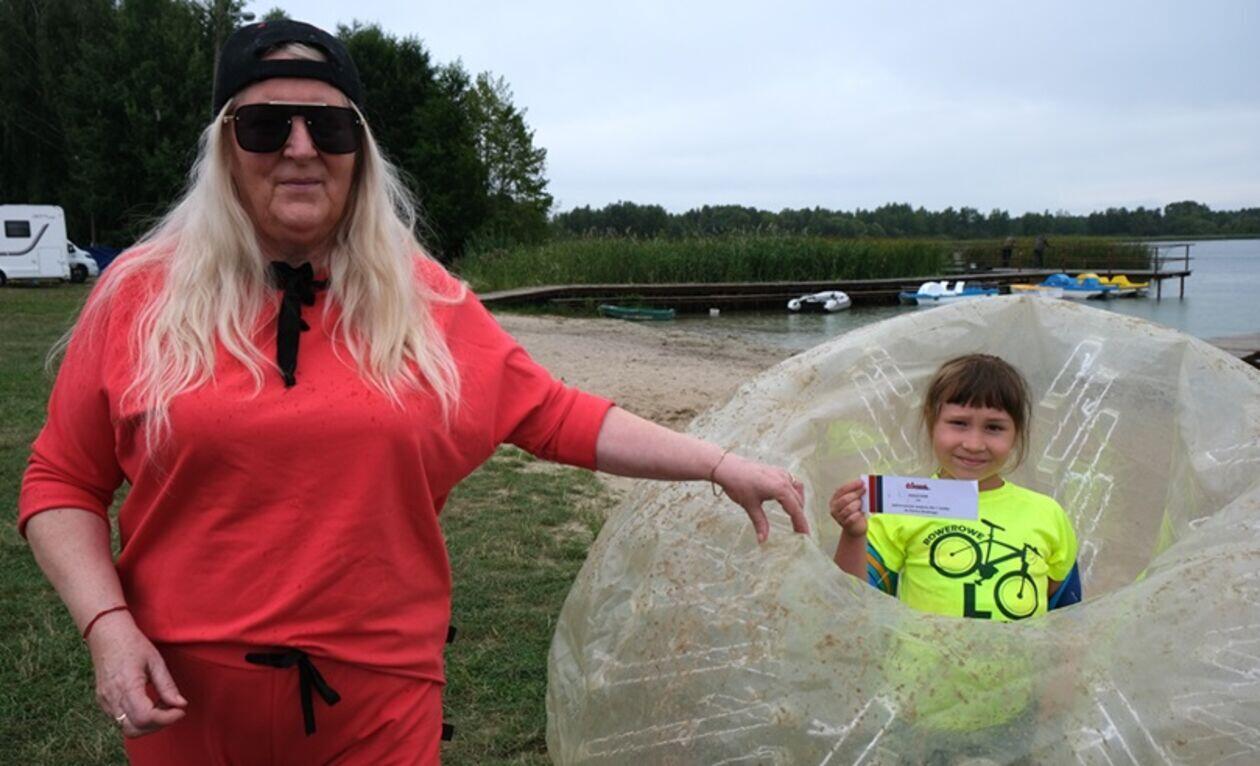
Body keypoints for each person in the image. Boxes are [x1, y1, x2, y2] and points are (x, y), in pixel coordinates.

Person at [17, 20, 808, 764]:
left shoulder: (424, 300)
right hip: (183, 704)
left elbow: (554, 413)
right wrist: (107, 626)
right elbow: (61, 482)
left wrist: (718, 464)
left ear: (359, 151)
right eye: (265, 125)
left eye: (330, 127)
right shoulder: (139, 296)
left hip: (380, 706)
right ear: (225, 146)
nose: (300, 148)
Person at [830, 353, 1081, 619]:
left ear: (1016, 433)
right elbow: (853, 603)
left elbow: (1067, 617)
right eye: (959, 423)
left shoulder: (1048, 514)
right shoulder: (899, 509)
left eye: (994, 427)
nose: (974, 444)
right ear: (931, 422)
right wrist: (853, 535)